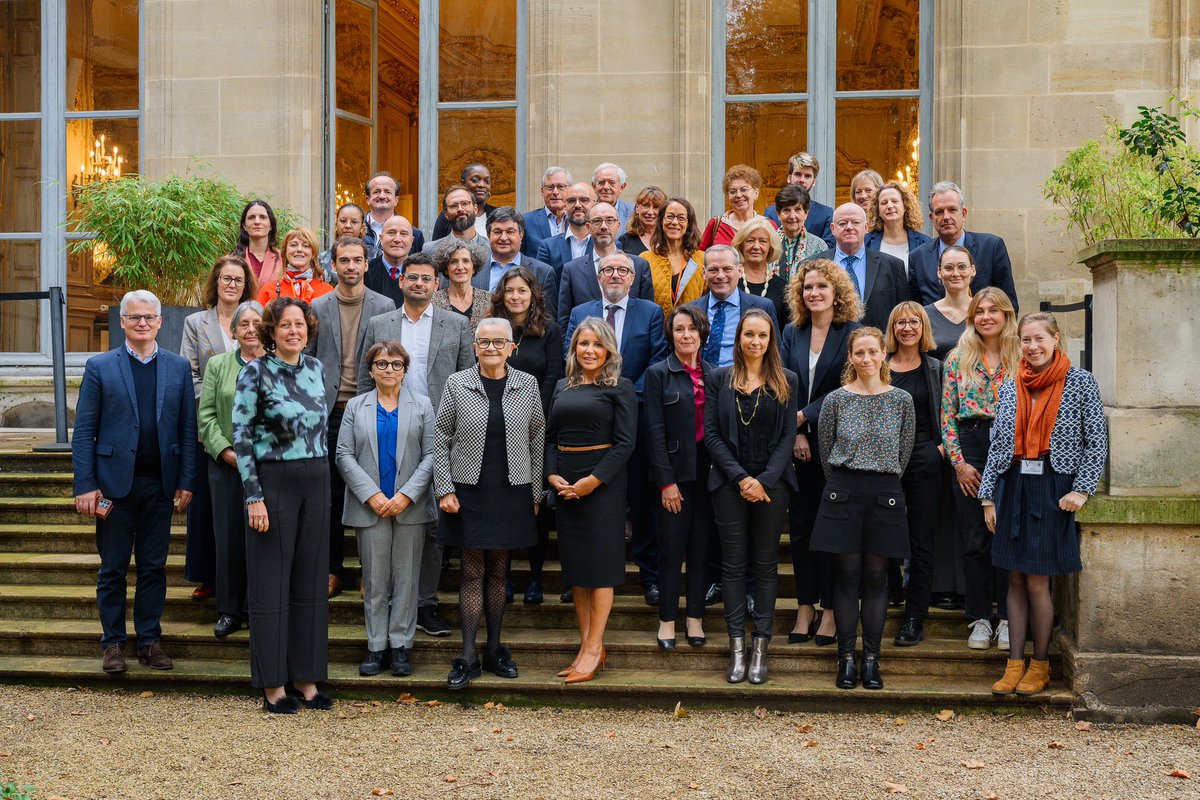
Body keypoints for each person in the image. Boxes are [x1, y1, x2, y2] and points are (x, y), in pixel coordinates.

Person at [980, 313, 1107, 697]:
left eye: (1039, 339)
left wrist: (1081, 490)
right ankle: (1014, 663)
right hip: (1012, 483)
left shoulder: (1080, 381)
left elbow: (1095, 441)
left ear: (1056, 338)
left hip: (1054, 485)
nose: (1032, 347)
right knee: (1013, 577)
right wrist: (988, 496)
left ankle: (1040, 665)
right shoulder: (1011, 383)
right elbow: (997, 444)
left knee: (1038, 580)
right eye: (1025, 340)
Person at [73, 290, 197, 674]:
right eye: (134, 317)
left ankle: (149, 640)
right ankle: (112, 644)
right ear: (122, 322)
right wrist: (85, 485)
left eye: (149, 317)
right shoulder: (100, 366)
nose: (142, 323)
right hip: (112, 487)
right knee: (112, 569)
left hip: (160, 485)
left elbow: (187, 431)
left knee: (153, 568)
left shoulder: (177, 367)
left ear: (160, 322)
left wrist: (187, 480)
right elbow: (84, 432)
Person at [358, 253, 475, 638]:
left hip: (440, 431)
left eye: (426, 279)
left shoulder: (456, 324)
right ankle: (387, 602)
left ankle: (425, 603)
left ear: (436, 285)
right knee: (383, 518)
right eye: (413, 278)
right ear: (402, 281)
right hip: (386, 429)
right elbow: (364, 377)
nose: (419, 284)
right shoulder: (379, 323)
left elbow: (465, 380)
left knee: (429, 523)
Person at [232, 296, 332, 714]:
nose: (294, 331)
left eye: (300, 324)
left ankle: (306, 678)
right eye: (286, 325)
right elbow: (241, 437)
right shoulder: (254, 372)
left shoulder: (316, 368)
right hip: (273, 483)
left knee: (310, 583)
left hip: (317, 479)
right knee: (271, 583)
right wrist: (254, 495)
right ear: (271, 332)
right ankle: (273, 684)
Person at [434, 319, 545, 689]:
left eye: (500, 342)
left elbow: (536, 439)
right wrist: (444, 488)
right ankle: (467, 655)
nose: (492, 348)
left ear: (512, 347)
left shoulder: (527, 384)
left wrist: (534, 494)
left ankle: (495, 647)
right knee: (471, 572)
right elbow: (441, 437)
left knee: (499, 572)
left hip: (512, 488)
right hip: (468, 491)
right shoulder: (457, 383)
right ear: (475, 346)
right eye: (485, 342)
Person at [812, 327, 915, 691]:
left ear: (884, 354)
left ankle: (871, 659)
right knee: (847, 575)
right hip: (843, 490)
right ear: (851, 358)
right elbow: (825, 452)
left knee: (875, 576)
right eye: (860, 353)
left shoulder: (901, 400)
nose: (867, 359)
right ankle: (845, 659)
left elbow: (904, 452)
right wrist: (845, 482)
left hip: (885, 491)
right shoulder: (836, 400)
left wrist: (881, 480)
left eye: (873, 352)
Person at [565, 251, 669, 604]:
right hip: (587, 426)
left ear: (633, 277)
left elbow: (656, 361)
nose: (614, 275)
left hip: (633, 419)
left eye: (622, 270)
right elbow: (571, 358)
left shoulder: (651, 312)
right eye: (607, 269)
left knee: (641, 501)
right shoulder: (582, 313)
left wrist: (619, 397)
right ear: (599, 276)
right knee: (590, 502)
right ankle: (580, 576)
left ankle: (649, 575)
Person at [705, 309, 798, 685]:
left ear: (771, 339)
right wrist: (743, 479)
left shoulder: (787, 380)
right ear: (739, 338)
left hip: (772, 486)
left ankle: (761, 646)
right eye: (748, 335)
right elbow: (711, 435)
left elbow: (788, 437)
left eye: (762, 335)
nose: (755, 342)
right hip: (729, 484)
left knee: (765, 565)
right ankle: (737, 647)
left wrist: (763, 481)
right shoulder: (719, 379)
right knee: (732, 565)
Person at [336, 340, 435, 679]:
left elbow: (432, 455)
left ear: (405, 371)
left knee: (406, 580)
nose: (389, 370)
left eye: (395, 364)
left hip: (410, 505)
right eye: (381, 364)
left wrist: (406, 494)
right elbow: (344, 455)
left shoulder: (422, 406)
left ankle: (401, 646)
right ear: (370, 370)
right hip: (371, 507)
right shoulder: (355, 406)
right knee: (375, 581)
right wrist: (372, 495)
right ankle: (376, 646)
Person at [546, 319, 638, 683]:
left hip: (602, 486)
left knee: (600, 571)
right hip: (565, 486)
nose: (588, 350)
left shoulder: (620, 387)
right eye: (582, 343)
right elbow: (550, 436)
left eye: (596, 344)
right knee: (578, 573)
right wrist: (552, 476)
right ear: (574, 349)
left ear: (608, 350)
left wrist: (592, 481)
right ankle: (585, 647)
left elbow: (627, 443)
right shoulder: (560, 386)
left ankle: (595, 647)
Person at [779, 260, 863, 647]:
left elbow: (848, 384)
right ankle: (804, 607)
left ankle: (831, 611)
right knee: (800, 531)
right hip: (795, 446)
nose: (814, 293)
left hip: (837, 446)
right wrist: (795, 430)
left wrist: (804, 417)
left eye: (822, 287)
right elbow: (780, 379)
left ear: (837, 292)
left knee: (831, 531)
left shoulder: (852, 334)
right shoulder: (790, 332)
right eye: (808, 287)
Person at [308, 236, 397, 597]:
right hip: (328, 414)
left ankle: (370, 571)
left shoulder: (385, 304)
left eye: (356, 260)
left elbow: (391, 358)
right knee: (329, 493)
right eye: (342, 260)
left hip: (370, 408)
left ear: (366, 264)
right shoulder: (317, 305)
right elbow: (309, 359)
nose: (349, 266)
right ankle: (332, 569)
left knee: (369, 489)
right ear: (333, 265)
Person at [941, 287, 1020, 650]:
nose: (986, 317)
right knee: (974, 538)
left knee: (1005, 535)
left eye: (994, 311)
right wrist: (958, 464)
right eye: (980, 311)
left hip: (1014, 447)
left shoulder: (1021, 356)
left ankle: (1006, 617)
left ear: (1006, 315)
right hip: (971, 444)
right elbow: (948, 416)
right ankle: (978, 619)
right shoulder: (958, 358)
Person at [181, 255, 257, 602]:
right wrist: (217, 408)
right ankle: (210, 577)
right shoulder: (196, 322)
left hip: (255, 434)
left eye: (238, 279)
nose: (231, 284)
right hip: (211, 428)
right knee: (210, 511)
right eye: (226, 278)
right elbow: (191, 374)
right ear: (216, 282)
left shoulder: (256, 318)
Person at [490, 266, 562, 604]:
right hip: (495, 427)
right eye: (510, 291)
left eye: (522, 291)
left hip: (536, 428)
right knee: (502, 502)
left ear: (533, 294)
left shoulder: (549, 331)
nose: (515, 297)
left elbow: (552, 379)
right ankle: (501, 576)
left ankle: (534, 577)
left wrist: (536, 418)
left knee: (537, 505)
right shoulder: (491, 330)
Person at [644, 305, 714, 649]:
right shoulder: (658, 373)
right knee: (672, 548)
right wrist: (665, 482)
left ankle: (695, 618)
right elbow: (653, 430)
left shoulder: (716, 374)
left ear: (702, 333)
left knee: (700, 548)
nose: (686, 335)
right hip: (673, 474)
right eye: (679, 329)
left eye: (692, 329)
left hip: (707, 475)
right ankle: (668, 619)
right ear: (670, 335)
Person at [198, 300, 265, 638]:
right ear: (234, 331)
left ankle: (259, 607)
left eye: (257, 323)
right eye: (244, 324)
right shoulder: (218, 365)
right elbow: (206, 415)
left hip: (268, 469)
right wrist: (226, 451)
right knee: (228, 539)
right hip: (226, 467)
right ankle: (229, 610)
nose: (251, 329)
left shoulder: (277, 364)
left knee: (263, 540)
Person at [884, 303, 945, 646]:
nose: (907, 328)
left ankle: (915, 617)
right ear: (891, 328)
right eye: (901, 322)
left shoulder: (934, 367)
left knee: (921, 540)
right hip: (885, 459)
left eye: (913, 322)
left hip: (925, 456)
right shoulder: (880, 366)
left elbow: (946, 409)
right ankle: (893, 590)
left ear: (923, 327)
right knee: (887, 535)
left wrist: (938, 448)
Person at [907, 181, 1019, 309]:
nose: (946, 217)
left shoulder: (991, 247)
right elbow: (915, 310)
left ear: (963, 214)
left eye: (952, 210)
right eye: (939, 212)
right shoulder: (918, 257)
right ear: (932, 218)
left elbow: (1008, 305)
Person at [808, 203, 910, 331]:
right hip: (828, 344)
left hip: (877, 346)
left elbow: (903, 313)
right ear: (833, 229)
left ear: (866, 227)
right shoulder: (812, 266)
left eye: (855, 222)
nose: (849, 227)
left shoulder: (892, 266)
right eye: (842, 223)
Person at [557, 203, 655, 332]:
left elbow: (647, 315)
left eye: (609, 221)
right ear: (588, 227)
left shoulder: (639, 266)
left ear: (618, 226)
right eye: (597, 221)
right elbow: (564, 322)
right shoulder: (572, 270)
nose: (603, 226)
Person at [685, 245, 779, 368]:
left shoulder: (763, 307)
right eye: (713, 270)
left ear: (739, 271)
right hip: (700, 383)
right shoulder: (690, 310)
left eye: (727, 269)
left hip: (745, 382)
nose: (720, 275)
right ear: (704, 273)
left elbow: (775, 354)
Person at [478, 206, 559, 321]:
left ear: (521, 235)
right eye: (497, 232)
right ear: (488, 234)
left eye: (510, 232)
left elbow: (548, 319)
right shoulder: (474, 270)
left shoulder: (542, 272)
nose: (503, 237)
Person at [644, 197, 707, 318]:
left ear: (688, 224)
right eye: (670, 216)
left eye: (681, 218)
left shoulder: (702, 259)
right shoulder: (645, 259)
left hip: (691, 332)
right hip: (656, 334)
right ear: (661, 220)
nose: (674, 222)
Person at [764, 152, 835, 248]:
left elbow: (828, 250)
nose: (802, 180)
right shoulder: (771, 212)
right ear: (789, 178)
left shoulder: (826, 213)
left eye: (807, 176)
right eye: (798, 174)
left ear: (814, 182)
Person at [699, 165, 773, 250]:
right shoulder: (716, 224)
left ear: (756, 193)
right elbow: (701, 257)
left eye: (744, 189)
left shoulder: (768, 225)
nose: (738, 195)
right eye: (733, 191)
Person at [257, 227, 334, 306]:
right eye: (293, 245)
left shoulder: (327, 291)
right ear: (285, 252)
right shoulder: (268, 290)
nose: (299, 249)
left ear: (313, 254)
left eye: (306, 246)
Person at [864, 181, 931, 272]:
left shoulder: (924, 243)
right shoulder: (866, 242)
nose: (890, 206)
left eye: (895, 201)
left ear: (905, 207)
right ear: (878, 211)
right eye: (884, 203)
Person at [732, 218, 787, 324]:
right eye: (750, 240)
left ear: (770, 247)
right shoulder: (728, 281)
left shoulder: (783, 288)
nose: (756, 246)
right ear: (741, 245)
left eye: (763, 241)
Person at [924, 245, 974, 360]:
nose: (955, 273)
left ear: (973, 270)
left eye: (962, 267)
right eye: (948, 268)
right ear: (939, 272)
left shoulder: (985, 313)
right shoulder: (924, 315)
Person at [431, 238, 492, 329]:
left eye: (465, 261)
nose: (460, 267)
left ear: (474, 267)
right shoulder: (433, 301)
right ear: (446, 269)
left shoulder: (489, 300)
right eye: (454, 262)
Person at [773, 184, 827, 288]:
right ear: (778, 214)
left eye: (798, 210)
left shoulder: (819, 246)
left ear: (806, 213)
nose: (792, 216)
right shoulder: (768, 242)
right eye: (787, 210)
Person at [363, 171, 425, 259]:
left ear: (396, 200)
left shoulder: (414, 234)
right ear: (367, 199)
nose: (382, 196)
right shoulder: (355, 230)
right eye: (376, 191)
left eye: (387, 192)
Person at [536, 182, 596, 272]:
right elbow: (542, 283)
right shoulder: (548, 247)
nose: (577, 205)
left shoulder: (605, 244)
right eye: (571, 201)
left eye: (584, 200)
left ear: (595, 204)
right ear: (565, 205)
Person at [431, 163, 496, 240]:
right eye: (475, 180)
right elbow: (437, 247)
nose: (482, 185)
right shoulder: (449, 214)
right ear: (463, 183)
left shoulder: (497, 214)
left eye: (487, 181)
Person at [364, 215, 416, 308]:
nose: (397, 239)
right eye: (391, 233)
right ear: (381, 238)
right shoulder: (366, 272)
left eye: (404, 234)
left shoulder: (421, 274)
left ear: (411, 241)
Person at [522, 166, 572, 257]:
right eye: (550, 187)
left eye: (561, 187)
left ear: (570, 190)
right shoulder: (526, 221)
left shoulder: (578, 221)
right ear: (542, 191)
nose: (555, 192)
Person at [423, 185, 486, 253]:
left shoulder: (492, 248)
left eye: (465, 203)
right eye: (453, 206)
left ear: (475, 209)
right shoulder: (430, 250)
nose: (460, 209)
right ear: (446, 215)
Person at [236, 200, 283, 285]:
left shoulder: (283, 259)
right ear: (244, 226)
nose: (257, 222)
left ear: (271, 226)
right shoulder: (233, 259)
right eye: (251, 217)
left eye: (262, 217)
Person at [319, 202, 366, 281]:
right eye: (343, 221)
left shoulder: (374, 256)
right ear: (336, 224)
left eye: (354, 222)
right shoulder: (322, 259)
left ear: (362, 227)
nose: (348, 225)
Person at [616, 186, 667, 255]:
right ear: (637, 208)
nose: (650, 212)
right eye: (646, 206)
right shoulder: (625, 241)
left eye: (656, 207)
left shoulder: (669, 239)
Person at [592, 162, 635, 234]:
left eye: (612, 183)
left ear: (622, 187)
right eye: (601, 182)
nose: (606, 187)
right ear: (593, 186)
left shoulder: (633, 214)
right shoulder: (585, 212)